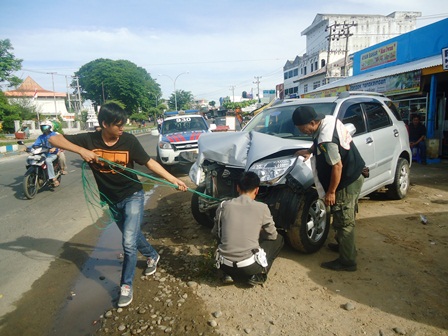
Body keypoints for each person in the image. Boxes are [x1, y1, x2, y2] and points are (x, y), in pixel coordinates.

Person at [49, 102, 188, 307]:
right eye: (118, 125)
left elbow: (149, 163)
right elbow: (53, 137)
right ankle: (152, 255)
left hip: (132, 195)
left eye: (123, 124)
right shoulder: (90, 139)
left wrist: (173, 180)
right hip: (111, 199)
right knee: (132, 237)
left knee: (128, 242)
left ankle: (126, 285)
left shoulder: (129, 141)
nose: (122, 128)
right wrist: (81, 150)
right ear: (104, 124)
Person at [292, 106, 365, 272]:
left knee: (344, 220)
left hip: (346, 181)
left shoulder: (327, 139)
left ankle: (347, 261)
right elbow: (317, 140)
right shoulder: (328, 121)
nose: (302, 132)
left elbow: (337, 166)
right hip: (353, 173)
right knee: (342, 215)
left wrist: (331, 192)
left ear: (312, 122)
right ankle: (344, 247)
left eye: (303, 129)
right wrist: (310, 151)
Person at [212, 172, 284, 286]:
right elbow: (272, 235)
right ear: (257, 190)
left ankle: (226, 274)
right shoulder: (262, 208)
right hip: (249, 267)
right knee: (279, 239)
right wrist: (259, 233)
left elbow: (216, 233)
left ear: (237, 188)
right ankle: (259, 273)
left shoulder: (223, 206)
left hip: (224, 264)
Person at [32, 121, 60, 187]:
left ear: (50, 127)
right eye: (42, 127)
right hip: (44, 153)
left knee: (48, 161)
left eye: (45, 127)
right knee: (35, 159)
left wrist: (55, 148)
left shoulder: (54, 135)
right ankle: (38, 174)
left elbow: (60, 143)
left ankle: (52, 177)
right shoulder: (41, 137)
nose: (44, 129)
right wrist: (27, 148)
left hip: (53, 154)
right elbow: (35, 144)